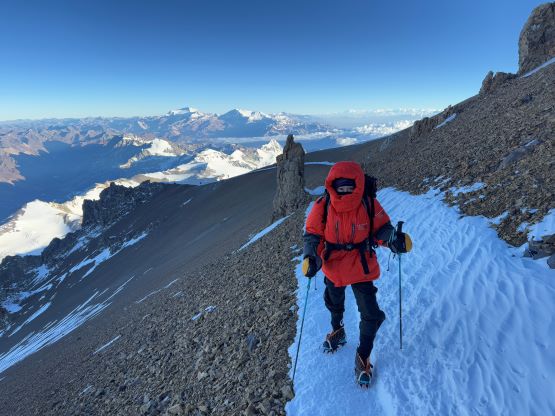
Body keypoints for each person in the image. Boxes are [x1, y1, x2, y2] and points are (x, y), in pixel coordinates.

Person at [302, 161, 412, 387]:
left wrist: (393, 240)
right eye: (340, 187)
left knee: (370, 313)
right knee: (334, 302)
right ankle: (338, 331)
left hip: (360, 265)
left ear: (358, 186)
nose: (344, 191)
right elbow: (313, 235)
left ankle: (363, 355)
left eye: (348, 187)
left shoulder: (368, 202)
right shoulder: (324, 205)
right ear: (333, 186)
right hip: (335, 265)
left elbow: (381, 228)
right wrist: (311, 256)